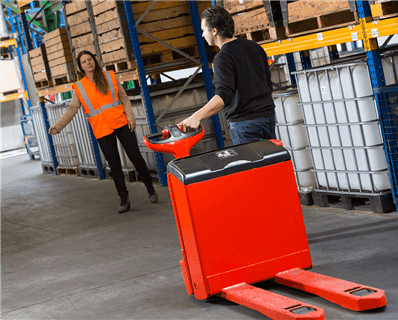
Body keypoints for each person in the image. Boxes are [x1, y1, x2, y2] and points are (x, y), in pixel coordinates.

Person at [48, 51, 158, 214]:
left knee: (135, 155)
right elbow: (72, 108)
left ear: (95, 61)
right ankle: (123, 198)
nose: (88, 63)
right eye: (84, 62)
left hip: (121, 122)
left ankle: (150, 187)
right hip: (101, 128)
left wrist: (131, 118)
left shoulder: (109, 77)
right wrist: (58, 126)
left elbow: (124, 98)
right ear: (80, 67)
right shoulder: (79, 87)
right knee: (114, 165)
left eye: (89, 60)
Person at [179, 5, 276, 145]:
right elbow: (268, 84)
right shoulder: (255, 47)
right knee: (271, 164)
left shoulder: (223, 57)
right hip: (268, 118)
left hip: (246, 124)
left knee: (251, 166)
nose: (202, 35)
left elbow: (223, 96)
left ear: (214, 31)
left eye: (203, 30)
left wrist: (196, 117)